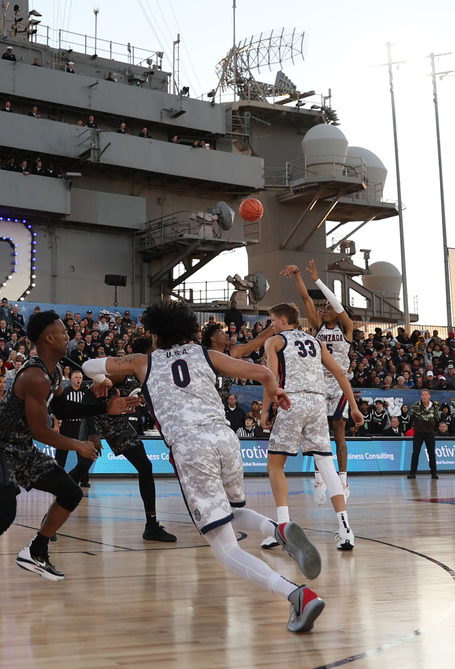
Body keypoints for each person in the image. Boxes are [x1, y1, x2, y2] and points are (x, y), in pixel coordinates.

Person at [86, 301, 327, 633]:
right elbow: (264, 373)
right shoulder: (206, 354)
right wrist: (275, 391)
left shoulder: (143, 361)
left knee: (225, 548)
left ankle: (297, 594)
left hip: (190, 446)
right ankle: (278, 530)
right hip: (226, 439)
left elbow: (88, 365)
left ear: (156, 334)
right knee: (229, 510)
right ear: (187, 329)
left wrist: (102, 379)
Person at [0, 310, 136, 611]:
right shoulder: (33, 376)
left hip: (21, 447)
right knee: (3, 515)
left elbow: (63, 410)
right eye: (63, 332)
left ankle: (37, 550)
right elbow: (40, 430)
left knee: (70, 492)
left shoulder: (54, 373)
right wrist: (78, 445)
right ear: (48, 338)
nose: (69, 336)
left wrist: (104, 406)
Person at [259, 302, 360, 552]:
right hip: (317, 401)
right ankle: (345, 528)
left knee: (274, 464)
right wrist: (354, 406)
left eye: (273, 319)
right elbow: (340, 374)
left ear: (283, 320)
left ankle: (283, 527)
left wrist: (264, 410)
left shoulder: (274, 341)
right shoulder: (315, 342)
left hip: (292, 400)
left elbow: (269, 378)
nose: (271, 324)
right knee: (326, 464)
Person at [73, 335, 178, 543]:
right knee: (81, 468)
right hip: (97, 418)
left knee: (145, 467)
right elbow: (88, 396)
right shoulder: (122, 371)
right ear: (145, 354)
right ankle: (50, 516)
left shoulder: (151, 372)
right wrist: (93, 433)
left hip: (118, 423)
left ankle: (151, 526)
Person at [290, 262, 358, 495]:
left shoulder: (346, 328)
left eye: (327, 307)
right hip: (318, 383)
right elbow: (305, 298)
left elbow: (337, 306)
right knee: (318, 432)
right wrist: (298, 274)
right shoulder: (318, 326)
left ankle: (343, 480)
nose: (323, 309)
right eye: (324, 307)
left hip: (339, 384)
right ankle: (318, 477)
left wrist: (318, 280)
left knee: (338, 431)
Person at [406, 389, 439, 479]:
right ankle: (412, 473)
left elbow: (436, 418)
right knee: (415, 453)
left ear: (429, 396)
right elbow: (413, 417)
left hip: (430, 433)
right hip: (419, 433)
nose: (424, 396)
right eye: (422, 395)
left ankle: (433, 473)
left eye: (426, 395)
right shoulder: (416, 405)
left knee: (431, 453)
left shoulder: (435, 406)